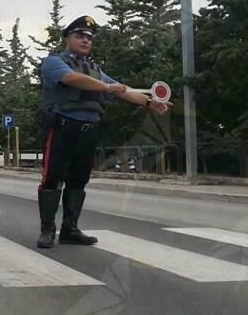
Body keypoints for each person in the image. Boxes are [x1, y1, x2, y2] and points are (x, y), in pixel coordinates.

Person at [37, 15, 172, 249]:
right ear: (67, 39)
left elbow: (124, 90)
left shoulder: (95, 70)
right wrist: (108, 87)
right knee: (52, 179)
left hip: (88, 132)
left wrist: (150, 103)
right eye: (80, 36)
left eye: (89, 37)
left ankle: (70, 229)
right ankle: (48, 229)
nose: (85, 40)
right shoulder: (54, 62)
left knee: (78, 181)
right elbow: (72, 79)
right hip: (62, 129)